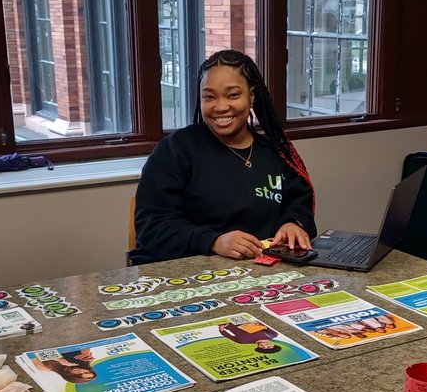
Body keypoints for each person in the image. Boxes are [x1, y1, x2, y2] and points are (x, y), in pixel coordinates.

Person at [130, 49, 317, 265]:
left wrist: (294, 224)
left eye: (233, 95)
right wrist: (214, 242)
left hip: (264, 275)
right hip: (191, 273)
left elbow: (299, 204)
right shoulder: (174, 151)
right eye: (209, 97)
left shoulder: (277, 154)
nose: (220, 107)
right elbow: (152, 227)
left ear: (252, 95)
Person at [33, 348, 97, 384]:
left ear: (71, 376)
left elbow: (32, 354)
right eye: (86, 372)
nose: (81, 371)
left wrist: (58, 359)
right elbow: (84, 345)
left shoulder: (46, 368)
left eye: (79, 374)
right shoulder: (85, 362)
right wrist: (86, 353)